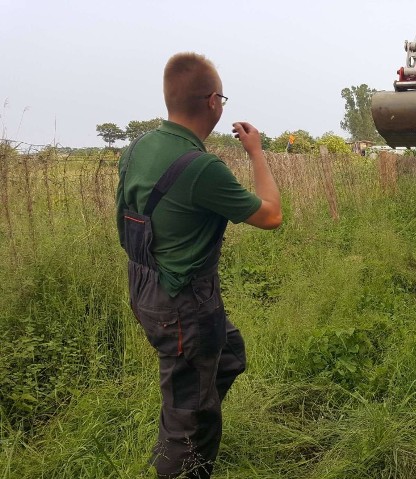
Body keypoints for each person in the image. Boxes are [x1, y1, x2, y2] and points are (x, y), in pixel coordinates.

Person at [115, 52, 282, 479]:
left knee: (229, 354)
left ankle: (185, 414)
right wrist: (257, 152)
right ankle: (182, 443)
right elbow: (271, 215)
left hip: (148, 290)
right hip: (184, 305)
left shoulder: (137, 148)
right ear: (212, 102)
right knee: (193, 418)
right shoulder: (202, 168)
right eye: (222, 99)